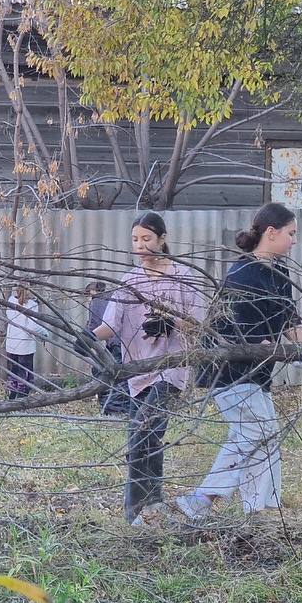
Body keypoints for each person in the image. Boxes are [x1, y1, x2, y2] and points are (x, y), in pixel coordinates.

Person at [176, 202, 302, 519]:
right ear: (271, 232)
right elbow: (234, 332)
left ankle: (262, 509)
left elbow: (289, 321)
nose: (294, 240)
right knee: (255, 434)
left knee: (266, 436)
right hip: (228, 371)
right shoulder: (242, 274)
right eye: (290, 233)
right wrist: (271, 345)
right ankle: (203, 498)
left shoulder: (279, 271)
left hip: (256, 374)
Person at [85, 212, 206, 524]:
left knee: (142, 430)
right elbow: (110, 325)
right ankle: (154, 506)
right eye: (135, 240)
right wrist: (86, 337)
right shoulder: (129, 281)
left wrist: (170, 321)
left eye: (146, 239)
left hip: (172, 367)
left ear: (162, 239)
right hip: (138, 371)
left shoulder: (182, 276)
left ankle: (136, 512)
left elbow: (198, 323)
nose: (140, 245)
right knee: (149, 438)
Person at [86, 280, 129, 415]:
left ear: (91, 292)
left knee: (109, 374)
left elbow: (94, 326)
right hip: (126, 342)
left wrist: (84, 338)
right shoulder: (113, 297)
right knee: (124, 374)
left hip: (115, 342)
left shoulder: (96, 302)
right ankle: (121, 406)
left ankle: (112, 408)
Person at [4, 285, 50, 400]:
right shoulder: (32, 305)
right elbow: (32, 327)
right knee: (25, 372)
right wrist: (45, 333)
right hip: (25, 345)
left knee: (13, 371)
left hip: (11, 344)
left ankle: (12, 397)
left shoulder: (10, 301)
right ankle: (22, 398)